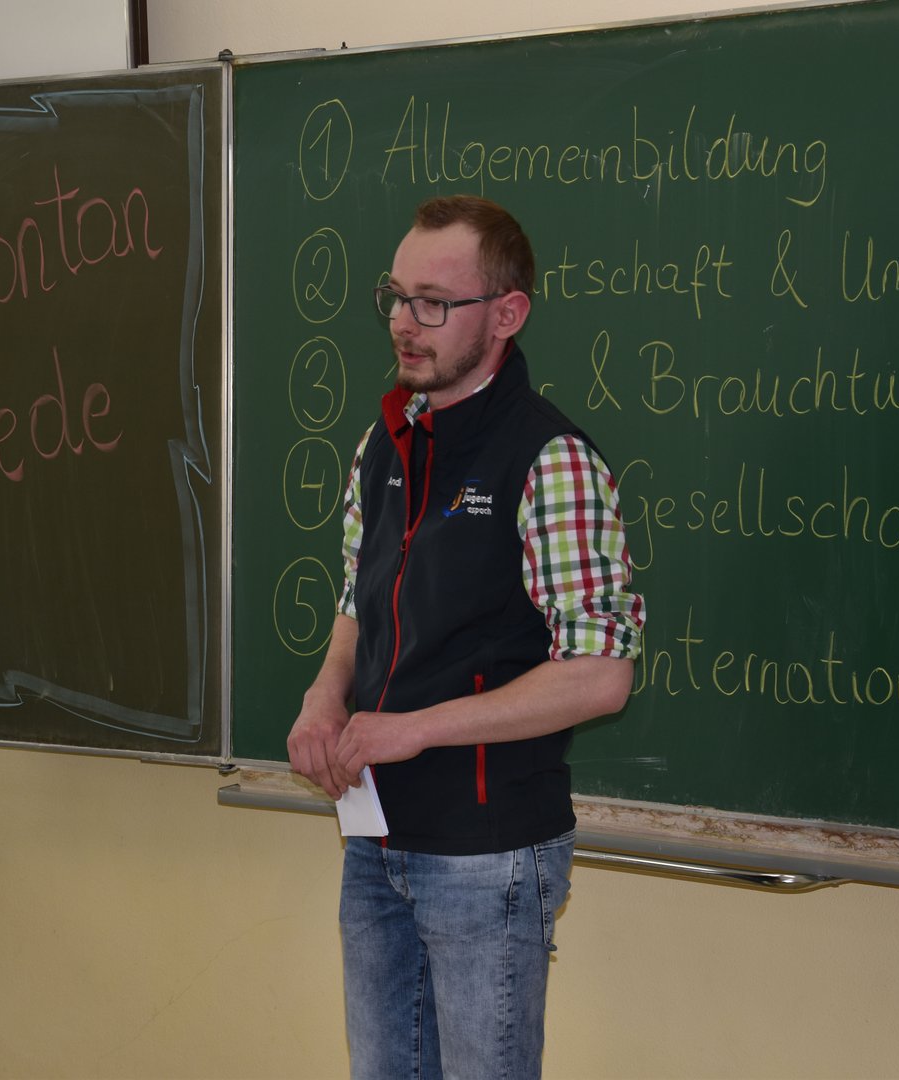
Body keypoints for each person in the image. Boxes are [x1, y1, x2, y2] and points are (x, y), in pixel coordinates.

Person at [287, 194, 645, 1080]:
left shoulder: (549, 459)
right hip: (375, 838)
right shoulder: (384, 444)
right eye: (396, 296)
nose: (404, 324)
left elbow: (600, 674)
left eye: (435, 303)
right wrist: (325, 695)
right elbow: (358, 599)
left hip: (489, 858)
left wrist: (413, 729)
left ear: (507, 314)